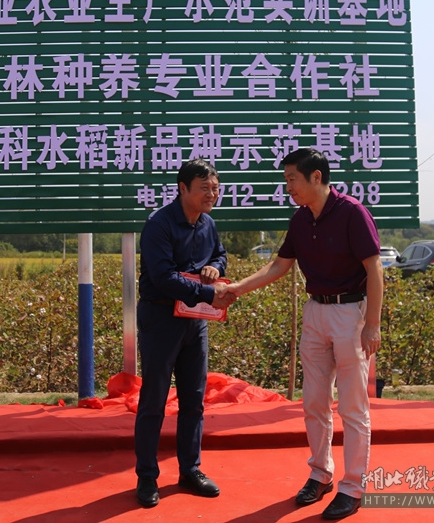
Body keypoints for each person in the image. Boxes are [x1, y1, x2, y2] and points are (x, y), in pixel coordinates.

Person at [217, 147, 382, 521]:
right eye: (286, 179)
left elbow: (375, 268)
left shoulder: (352, 213)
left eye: (292, 179)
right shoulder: (301, 218)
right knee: (314, 401)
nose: (287, 187)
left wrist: (372, 324)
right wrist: (238, 288)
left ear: (316, 177)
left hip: (350, 314)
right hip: (315, 313)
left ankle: (353, 487)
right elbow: (279, 265)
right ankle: (321, 474)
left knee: (353, 406)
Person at [134, 158, 230, 508]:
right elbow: (163, 277)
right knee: (154, 399)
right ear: (183, 188)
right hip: (161, 318)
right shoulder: (159, 224)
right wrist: (207, 292)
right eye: (204, 188)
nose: (212, 194)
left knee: (194, 399)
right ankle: (147, 476)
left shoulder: (208, 223)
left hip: (195, 320)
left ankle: (190, 469)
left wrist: (214, 268)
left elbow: (220, 255)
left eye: (215, 188)